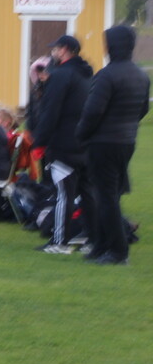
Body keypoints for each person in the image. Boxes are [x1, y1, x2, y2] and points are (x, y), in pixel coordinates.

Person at [75, 25, 149, 265]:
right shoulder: (141, 75)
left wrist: (81, 133)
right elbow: (143, 109)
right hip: (126, 140)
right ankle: (101, 246)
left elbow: (93, 111)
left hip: (103, 142)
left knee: (105, 197)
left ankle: (118, 251)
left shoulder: (107, 75)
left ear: (112, 46)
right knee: (110, 195)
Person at [31, 35, 92, 254]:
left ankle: (60, 242)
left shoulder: (60, 75)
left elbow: (50, 111)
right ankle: (92, 238)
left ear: (64, 49)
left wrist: (39, 143)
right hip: (85, 142)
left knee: (64, 194)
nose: (53, 53)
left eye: (55, 49)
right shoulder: (86, 74)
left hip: (64, 143)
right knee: (87, 194)